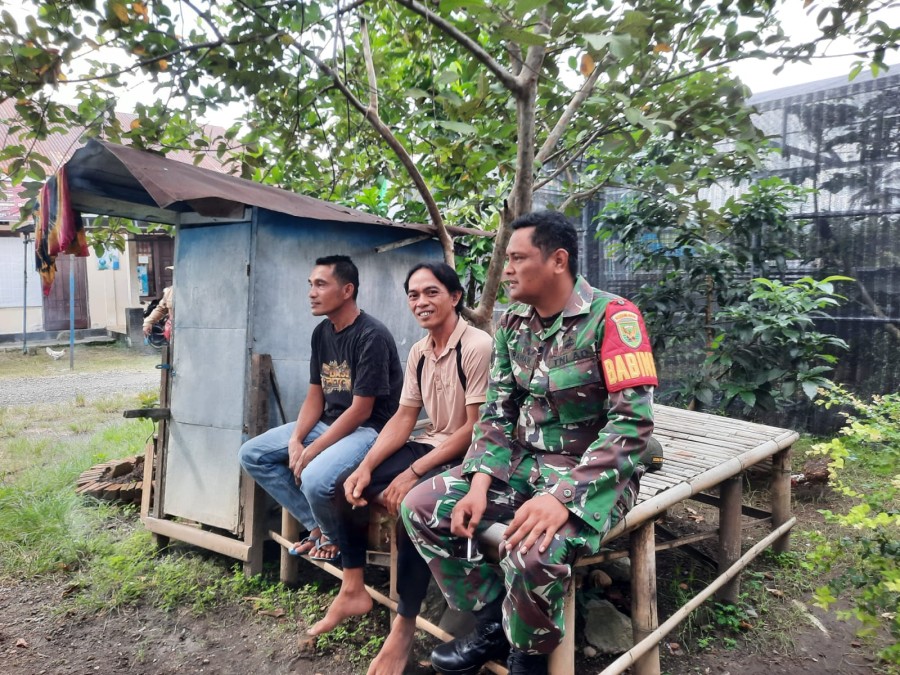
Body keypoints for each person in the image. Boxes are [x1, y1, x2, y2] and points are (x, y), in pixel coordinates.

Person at [402, 210, 658, 675]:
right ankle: (493, 623)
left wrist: (562, 498)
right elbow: (497, 413)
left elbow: (632, 425)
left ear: (558, 260)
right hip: (522, 464)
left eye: (518, 259)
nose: (507, 270)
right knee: (422, 507)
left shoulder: (614, 318)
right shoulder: (512, 323)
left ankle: (528, 656)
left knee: (531, 550)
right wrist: (479, 482)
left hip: (592, 475)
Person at [307, 262, 493, 675]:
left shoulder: (476, 345)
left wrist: (413, 472)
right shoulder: (419, 351)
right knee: (346, 485)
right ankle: (353, 587)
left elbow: (476, 428)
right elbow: (405, 417)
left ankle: (404, 626)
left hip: (469, 455)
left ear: (455, 297)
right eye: (413, 295)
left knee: (412, 505)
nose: (421, 302)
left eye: (431, 292)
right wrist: (366, 465)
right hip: (432, 444)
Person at [239, 255, 403, 562]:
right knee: (252, 454)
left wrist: (312, 451)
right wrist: (296, 440)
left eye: (320, 285)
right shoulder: (322, 332)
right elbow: (316, 395)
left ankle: (335, 538)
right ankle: (317, 525)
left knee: (314, 478)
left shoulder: (372, 336)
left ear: (347, 290)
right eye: (310, 285)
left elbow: (361, 411)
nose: (311, 293)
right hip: (331, 422)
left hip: (370, 429)